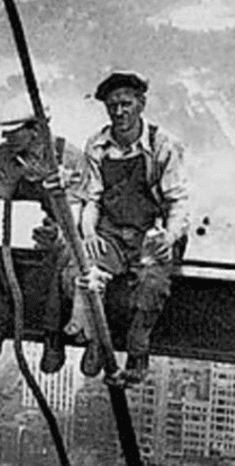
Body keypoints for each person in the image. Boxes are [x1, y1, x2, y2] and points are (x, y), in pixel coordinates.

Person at [71, 71, 187, 383]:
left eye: (126, 104)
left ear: (141, 104)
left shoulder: (162, 145)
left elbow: (177, 202)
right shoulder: (97, 146)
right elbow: (91, 199)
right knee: (86, 271)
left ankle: (138, 350)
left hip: (153, 231)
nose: (119, 112)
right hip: (112, 231)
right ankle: (96, 340)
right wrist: (90, 233)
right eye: (112, 106)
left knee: (150, 283)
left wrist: (171, 237)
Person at [0, 100, 86, 373]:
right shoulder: (3, 157)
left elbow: (75, 211)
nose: (6, 138)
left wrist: (57, 233)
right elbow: (0, 200)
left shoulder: (67, 155)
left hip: (57, 228)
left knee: (62, 256)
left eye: (13, 132)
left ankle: (52, 335)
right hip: (18, 223)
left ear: (35, 129)